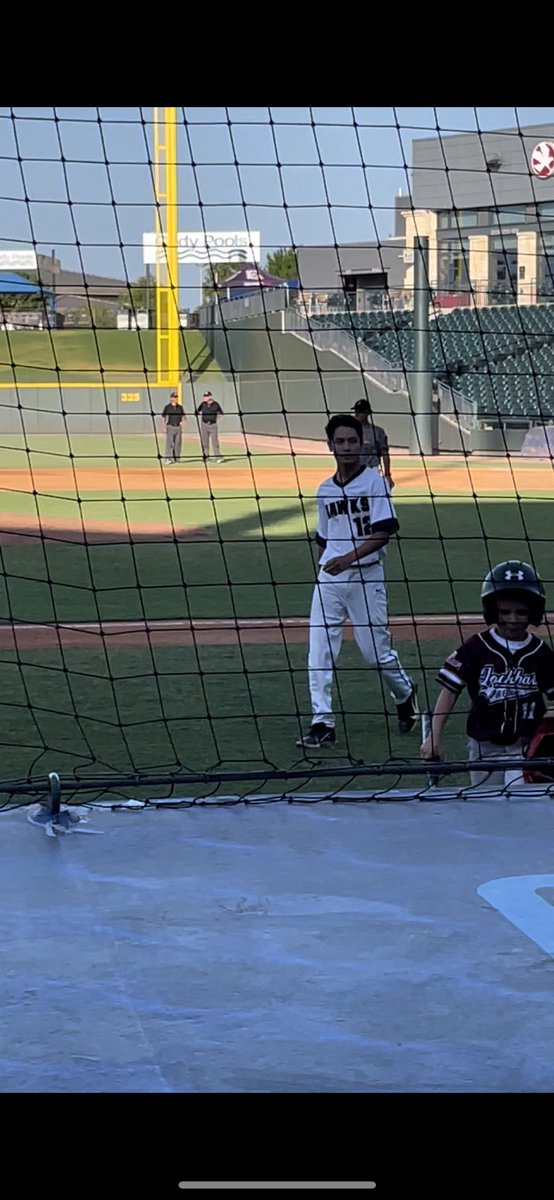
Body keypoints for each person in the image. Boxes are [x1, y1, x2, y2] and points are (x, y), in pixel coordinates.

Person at [297, 413, 418, 749]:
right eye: (340, 442)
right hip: (330, 579)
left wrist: (347, 558)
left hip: (367, 577)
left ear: (361, 443)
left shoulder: (374, 482)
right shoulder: (324, 489)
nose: (347, 447)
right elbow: (323, 538)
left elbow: (383, 534)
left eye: (352, 441)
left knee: (375, 655)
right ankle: (322, 723)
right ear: (330, 446)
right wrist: (323, 570)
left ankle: (405, 693)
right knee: (319, 650)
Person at [420, 560, 554, 788]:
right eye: (505, 612)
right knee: (486, 805)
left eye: (521, 612)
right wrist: (434, 736)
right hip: (483, 746)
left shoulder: (540, 652)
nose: (513, 619)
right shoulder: (476, 647)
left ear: (534, 612)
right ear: (492, 611)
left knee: (524, 805)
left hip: (526, 747)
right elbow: (450, 691)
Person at [351, 398, 394, 489]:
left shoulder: (377, 432)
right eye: (356, 411)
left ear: (367, 413)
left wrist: (387, 475)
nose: (357, 414)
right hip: (353, 471)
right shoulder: (350, 431)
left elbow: (385, 453)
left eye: (360, 412)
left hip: (371, 470)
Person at [196, 390, 224, 463]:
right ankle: (206, 457)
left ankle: (218, 457)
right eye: (204, 396)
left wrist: (215, 418)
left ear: (210, 397)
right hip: (204, 425)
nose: (205, 398)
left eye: (206, 396)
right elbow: (197, 411)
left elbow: (221, 413)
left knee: (215, 441)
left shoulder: (216, 404)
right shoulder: (203, 404)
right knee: (205, 441)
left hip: (213, 425)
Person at [160, 390, 186, 465]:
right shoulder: (167, 407)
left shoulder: (180, 407)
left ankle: (176, 458)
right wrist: (163, 427)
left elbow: (184, 416)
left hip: (178, 427)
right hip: (170, 426)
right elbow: (163, 417)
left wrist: (183, 422)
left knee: (178, 443)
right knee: (169, 443)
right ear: (171, 398)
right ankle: (168, 458)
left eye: (176, 397)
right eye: (174, 397)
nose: (175, 399)